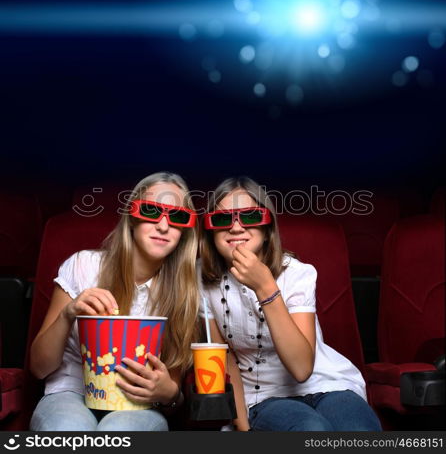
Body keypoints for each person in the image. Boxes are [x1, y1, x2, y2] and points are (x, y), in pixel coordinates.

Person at [199, 176, 382, 431]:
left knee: (359, 429)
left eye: (250, 216)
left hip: (326, 384)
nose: (236, 228)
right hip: (264, 397)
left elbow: (301, 368)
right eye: (222, 219)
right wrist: (244, 430)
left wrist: (265, 288)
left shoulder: (297, 273)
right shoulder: (204, 283)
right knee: (312, 430)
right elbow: (226, 363)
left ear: (267, 227)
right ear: (210, 230)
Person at [30, 172, 200, 431]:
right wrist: (68, 314)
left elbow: (173, 399)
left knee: (119, 432)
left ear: (185, 231)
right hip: (70, 393)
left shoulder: (185, 291)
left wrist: (170, 394)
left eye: (177, 216)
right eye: (151, 211)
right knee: (67, 428)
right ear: (132, 218)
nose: (164, 226)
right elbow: (39, 368)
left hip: (139, 405)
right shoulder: (83, 265)